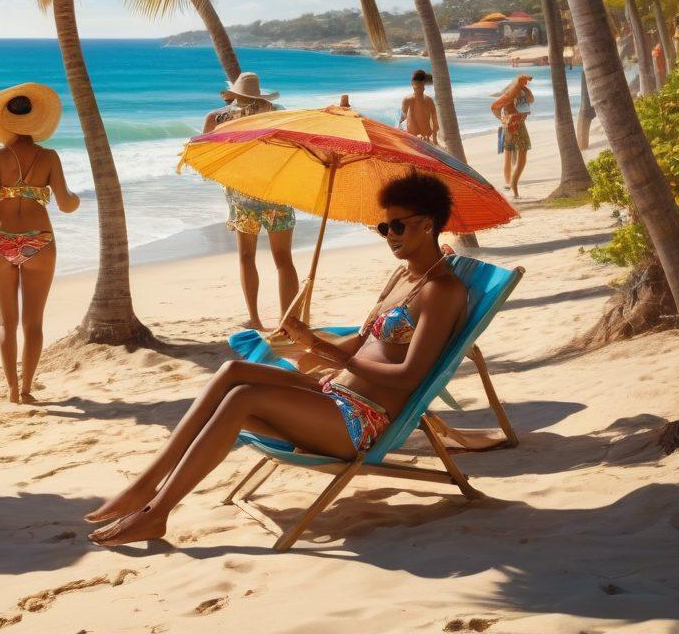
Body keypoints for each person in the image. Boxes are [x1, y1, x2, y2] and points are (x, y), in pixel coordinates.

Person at [85, 173, 467, 546]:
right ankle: (146, 486)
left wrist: (329, 354)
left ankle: (156, 513)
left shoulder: (441, 291)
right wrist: (310, 340)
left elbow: (408, 376)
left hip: (360, 421)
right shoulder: (404, 276)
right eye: (383, 228)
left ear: (427, 224)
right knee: (234, 371)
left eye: (397, 227)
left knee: (242, 399)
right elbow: (364, 342)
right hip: (334, 396)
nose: (390, 238)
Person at [0, 83, 80, 404]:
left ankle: (11, 390)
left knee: (6, 321)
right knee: (34, 322)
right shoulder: (50, 156)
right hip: (40, 240)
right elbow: (66, 205)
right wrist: (77, 199)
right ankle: (28, 388)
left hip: (2, 240)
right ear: (35, 120)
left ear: (4, 122)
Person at [202, 72, 299, 331]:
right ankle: (288, 322)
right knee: (284, 259)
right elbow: (296, 147)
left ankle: (255, 320)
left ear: (235, 94)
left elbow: (203, 155)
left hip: (241, 194)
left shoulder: (218, 118)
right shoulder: (279, 115)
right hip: (277, 191)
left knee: (247, 256)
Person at [490, 74, 534, 199]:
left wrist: (524, 89)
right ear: (518, 82)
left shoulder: (521, 92)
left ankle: (510, 184)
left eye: (526, 82)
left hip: (518, 125)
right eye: (524, 81)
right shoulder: (509, 94)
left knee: (513, 155)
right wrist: (501, 119)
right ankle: (512, 185)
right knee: (513, 156)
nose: (526, 83)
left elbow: (531, 100)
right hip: (513, 127)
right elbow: (494, 106)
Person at [399, 69, 439, 143]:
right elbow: (401, 120)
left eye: (419, 85)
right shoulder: (409, 100)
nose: (419, 87)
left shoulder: (410, 100)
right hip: (416, 138)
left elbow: (435, 122)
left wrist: (434, 139)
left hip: (422, 139)